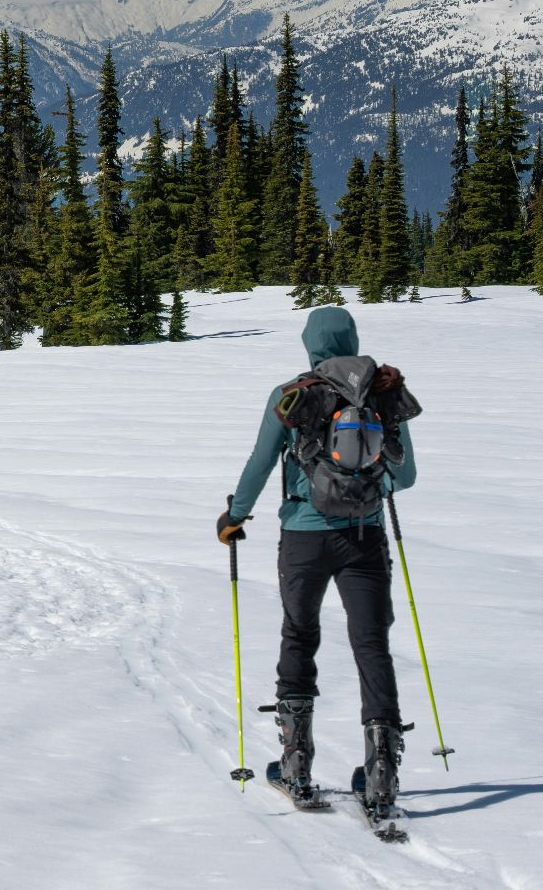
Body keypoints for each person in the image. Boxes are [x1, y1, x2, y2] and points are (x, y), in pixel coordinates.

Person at [215, 306, 418, 809]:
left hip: (303, 537)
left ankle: (295, 764)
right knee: (372, 644)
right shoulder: (384, 391)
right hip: (365, 536)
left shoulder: (292, 395)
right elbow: (405, 475)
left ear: (310, 344)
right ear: (352, 339)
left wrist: (234, 516)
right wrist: (369, 488)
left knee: (299, 634)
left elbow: (261, 462)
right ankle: (382, 775)